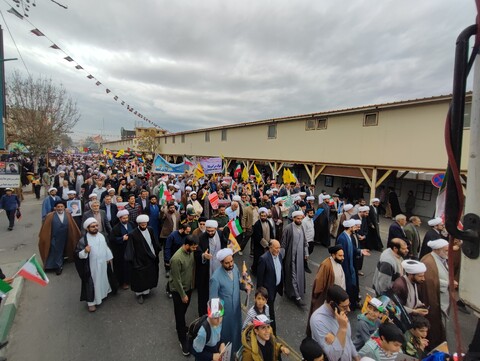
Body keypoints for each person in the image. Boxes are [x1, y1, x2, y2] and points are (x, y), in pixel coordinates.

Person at [209, 248, 251, 354]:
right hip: (225, 316)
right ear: (221, 263)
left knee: (236, 335)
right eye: (227, 263)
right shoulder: (215, 278)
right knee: (226, 339)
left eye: (231, 261)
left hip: (236, 311)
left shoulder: (235, 268)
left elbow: (237, 283)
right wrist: (216, 323)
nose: (231, 264)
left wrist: (245, 287)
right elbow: (213, 301)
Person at [75, 218, 114, 312]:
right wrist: (85, 251)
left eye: (96, 226)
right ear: (87, 228)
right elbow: (77, 255)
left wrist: (109, 258)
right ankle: (91, 303)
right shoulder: (83, 240)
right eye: (93, 227)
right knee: (92, 282)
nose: (95, 228)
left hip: (102, 263)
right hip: (91, 266)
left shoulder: (102, 235)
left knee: (103, 279)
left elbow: (106, 247)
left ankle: (102, 295)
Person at [310, 285, 358, 361]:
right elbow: (333, 356)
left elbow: (348, 339)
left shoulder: (340, 314)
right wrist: (342, 328)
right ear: (332, 304)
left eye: (349, 305)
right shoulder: (318, 321)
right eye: (344, 307)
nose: (348, 310)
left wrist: (356, 356)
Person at [418, 239, 450, 350]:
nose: (448, 252)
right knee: (435, 327)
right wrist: (448, 283)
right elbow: (430, 281)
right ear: (437, 250)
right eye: (446, 250)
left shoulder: (441, 259)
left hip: (442, 299)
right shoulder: (428, 262)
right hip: (435, 302)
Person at [169, 235, 198, 356]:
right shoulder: (176, 259)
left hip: (189, 287)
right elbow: (176, 279)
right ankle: (182, 340)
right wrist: (182, 295)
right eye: (193, 247)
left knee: (184, 310)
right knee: (180, 314)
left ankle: (180, 327)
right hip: (179, 291)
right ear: (187, 245)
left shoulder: (190, 252)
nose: (195, 249)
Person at [124, 214, 161, 304]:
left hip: (150, 256)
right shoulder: (133, 234)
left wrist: (156, 251)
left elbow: (154, 241)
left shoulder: (150, 229)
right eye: (142, 224)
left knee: (149, 274)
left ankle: (146, 291)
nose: (144, 225)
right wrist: (133, 260)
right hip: (139, 259)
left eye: (145, 224)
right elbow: (130, 248)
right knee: (140, 277)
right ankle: (139, 294)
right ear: (139, 224)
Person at [38, 200, 81, 275]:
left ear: (64, 207)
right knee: (56, 252)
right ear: (55, 208)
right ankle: (58, 267)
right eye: (58, 207)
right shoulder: (50, 216)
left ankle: (61, 261)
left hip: (66, 237)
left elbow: (72, 226)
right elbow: (45, 228)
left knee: (63, 251)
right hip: (55, 238)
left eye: (61, 206)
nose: (60, 208)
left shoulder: (68, 214)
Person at [196, 219, 228, 316]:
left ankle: (217, 313)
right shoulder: (201, 238)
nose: (210, 233)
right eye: (208, 231)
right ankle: (204, 315)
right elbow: (197, 252)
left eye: (212, 231)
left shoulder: (220, 233)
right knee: (205, 293)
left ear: (216, 229)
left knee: (218, 291)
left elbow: (224, 244)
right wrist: (203, 256)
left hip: (219, 267)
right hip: (206, 270)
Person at [308, 245, 346, 328]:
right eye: (340, 255)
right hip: (326, 300)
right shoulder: (326, 265)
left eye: (343, 255)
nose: (342, 258)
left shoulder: (338, 263)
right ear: (333, 255)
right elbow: (319, 283)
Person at [336, 219, 370, 309]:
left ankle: (353, 303)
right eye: (353, 227)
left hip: (351, 266)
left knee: (353, 285)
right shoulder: (342, 238)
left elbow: (353, 249)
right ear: (350, 228)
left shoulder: (349, 236)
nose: (355, 228)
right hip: (346, 267)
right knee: (348, 286)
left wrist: (361, 251)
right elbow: (342, 257)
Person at [256, 240, 283, 333]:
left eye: (279, 247)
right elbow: (259, 279)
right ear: (270, 248)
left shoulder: (279, 255)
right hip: (267, 292)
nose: (278, 250)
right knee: (270, 312)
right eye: (276, 248)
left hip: (275, 288)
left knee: (266, 310)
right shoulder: (263, 259)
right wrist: (260, 294)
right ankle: (272, 332)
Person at [109, 209, 134, 290]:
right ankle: (123, 282)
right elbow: (112, 239)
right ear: (120, 219)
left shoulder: (131, 224)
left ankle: (131, 280)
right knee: (122, 267)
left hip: (131, 248)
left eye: (127, 218)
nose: (126, 219)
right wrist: (122, 239)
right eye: (124, 218)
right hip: (121, 251)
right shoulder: (116, 228)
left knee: (131, 265)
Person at [251, 207, 274, 275]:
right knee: (258, 259)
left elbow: (271, 233)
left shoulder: (268, 222)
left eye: (264, 216)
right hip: (259, 245)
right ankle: (254, 271)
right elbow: (258, 237)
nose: (263, 217)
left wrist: (271, 241)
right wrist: (266, 244)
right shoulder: (257, 224)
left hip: (268, 244)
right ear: (260, 216)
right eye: (262, 216)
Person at [302, 208, 315, 274]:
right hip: (307, 240)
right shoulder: (304, 221)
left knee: (311, 250)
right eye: (311, 213)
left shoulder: (311, 219)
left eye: (312, 213)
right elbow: (303, 232)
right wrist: (305, 242)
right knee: (306, 253)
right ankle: (305, 265)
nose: (312, 214)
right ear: (307, 213)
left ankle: (303, 259)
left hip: (311, 239)